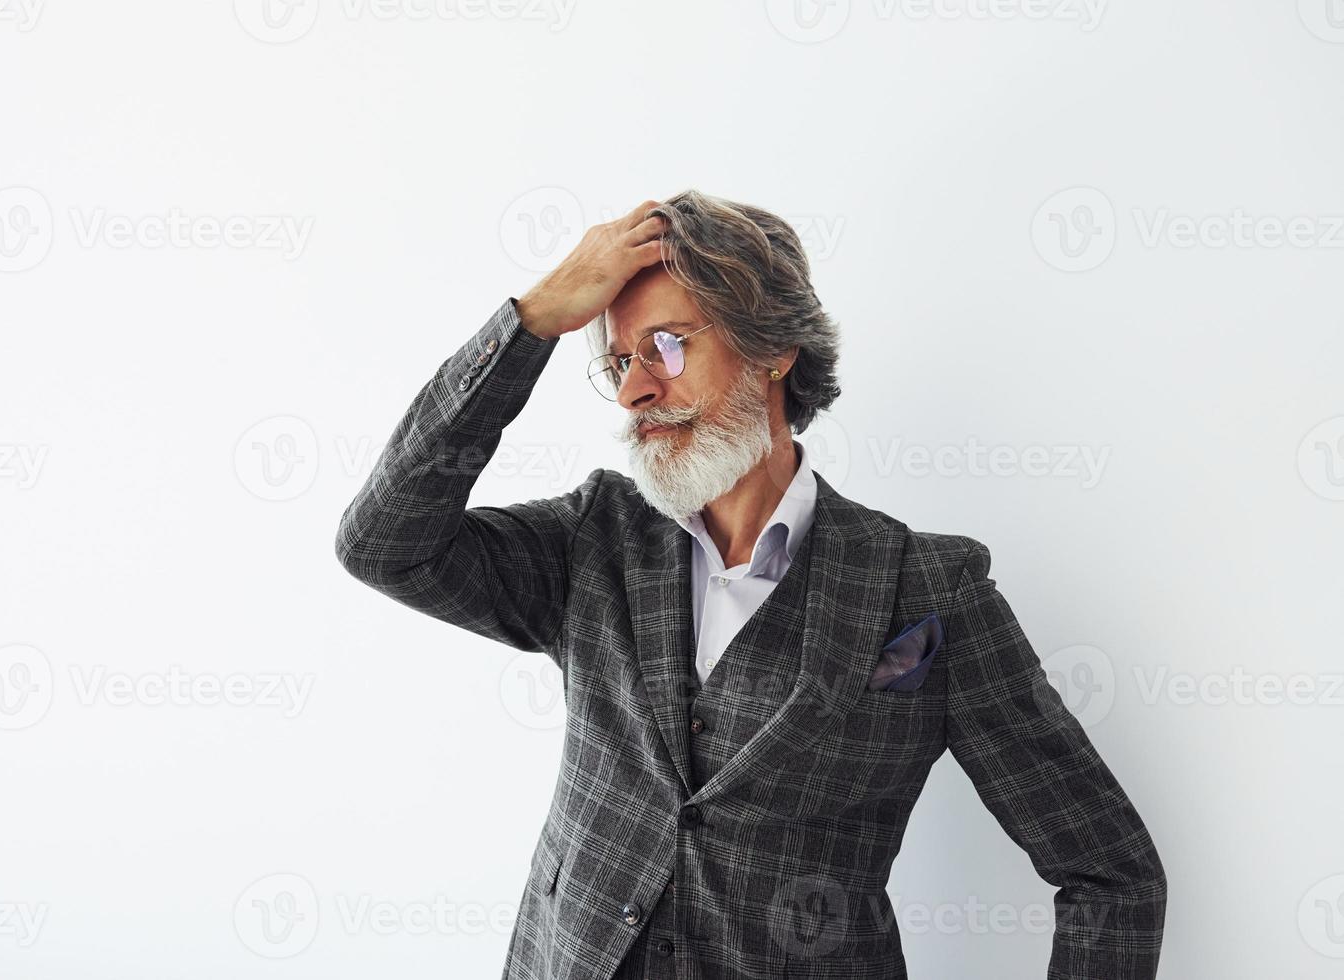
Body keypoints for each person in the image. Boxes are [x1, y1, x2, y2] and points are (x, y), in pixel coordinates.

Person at [334, 190, 1166, 979]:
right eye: (619, 361)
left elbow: (1110, 875)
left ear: (773, 350)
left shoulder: (927, 592)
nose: (634, 390)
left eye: (666, 345)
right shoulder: (593, 541)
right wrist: (533, 322)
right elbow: (383, 545)